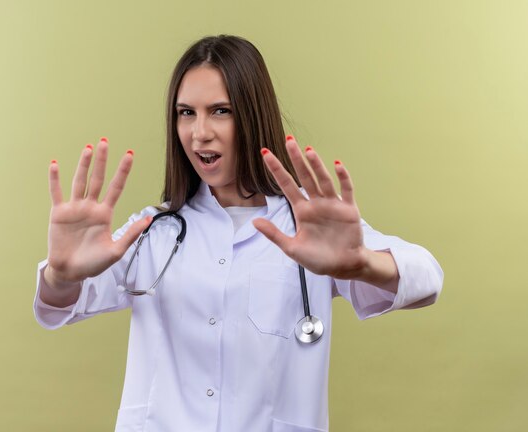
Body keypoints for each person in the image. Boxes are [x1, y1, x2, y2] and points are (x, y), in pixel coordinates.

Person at [34, 35, 443, 432]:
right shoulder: (154, 231)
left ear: (253, 115)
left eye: (220, 111)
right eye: (186, 112)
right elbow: (58, 306)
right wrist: (61, 274)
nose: (199, 133)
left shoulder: (310, 228)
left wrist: (362, 264)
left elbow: (426, 279)